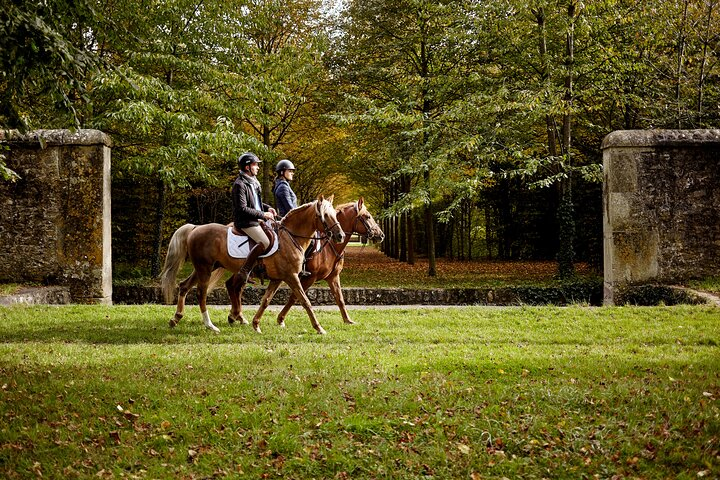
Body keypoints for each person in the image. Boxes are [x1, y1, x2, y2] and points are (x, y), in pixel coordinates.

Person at [232, 152, 277, 283]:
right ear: (247, 167)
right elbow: (242, 208)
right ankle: (245, 271)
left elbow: (256, 204)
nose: (257, 167)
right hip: (245, 221)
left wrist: (267, 208)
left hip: (256, 219)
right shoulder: (239, 184)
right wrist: (263, 215)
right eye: (255, 165)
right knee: (265, 242)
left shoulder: (254, 183)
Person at [272, 159, 311, 277]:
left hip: (291, 220)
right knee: (311, 239)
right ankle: (303, 266)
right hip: (289, 222)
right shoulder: (283, 187)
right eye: (290, 171)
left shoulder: (284, 185)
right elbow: (290, 208)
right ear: (282, 172)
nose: (292, 173)